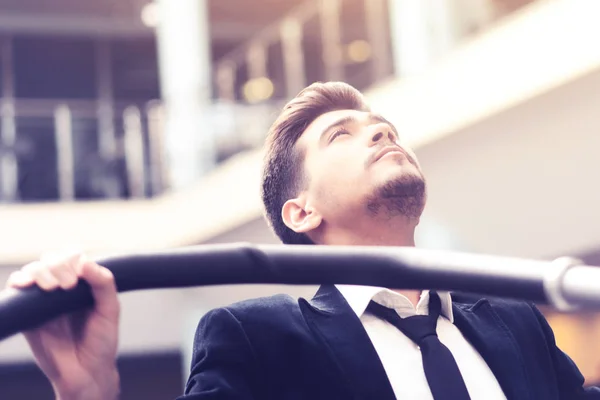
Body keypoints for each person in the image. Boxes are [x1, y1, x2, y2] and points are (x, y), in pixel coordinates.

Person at [6, 82, 599, 399]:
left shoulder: (517, 321)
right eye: (344, 135)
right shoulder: (256, 338)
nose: (381, 135)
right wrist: (88, 395)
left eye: (384, 129)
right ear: (301, 211)